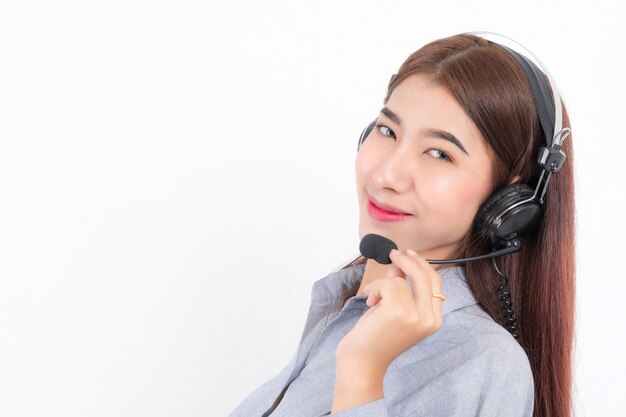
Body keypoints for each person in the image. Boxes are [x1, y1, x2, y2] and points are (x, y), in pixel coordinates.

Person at [228, 32, 575, 417]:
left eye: (439, 153)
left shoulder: (485, 364)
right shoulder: (343, 308)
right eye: (387, 131)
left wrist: (362, 375)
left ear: (510, 200)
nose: (387, 174)